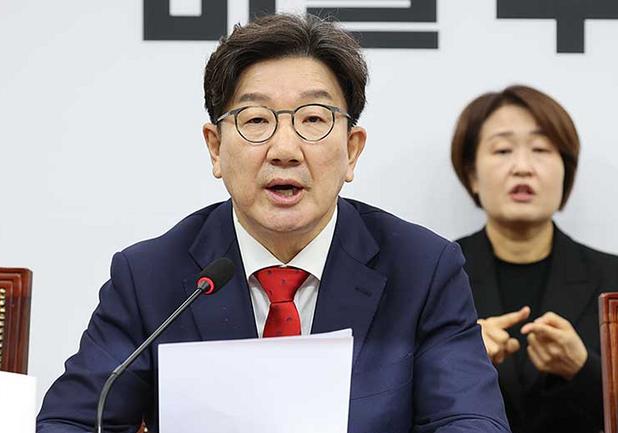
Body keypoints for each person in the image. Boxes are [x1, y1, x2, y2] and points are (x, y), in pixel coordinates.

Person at [37, 14, 510, 433]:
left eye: (313, 119)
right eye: (257, 120)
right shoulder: (150, 276)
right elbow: (73, 422)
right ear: (215, 148)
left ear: (352, 150)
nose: (284, 150)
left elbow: (471, 420)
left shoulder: (423, 269)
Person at [451, 84, 617, 433]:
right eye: (503, 150)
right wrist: (461, 362)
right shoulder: (433, 276)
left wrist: (583, 369)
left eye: (541, 149)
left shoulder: (612, 278)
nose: (522, 167)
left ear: (566, 171)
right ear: (472, 174)